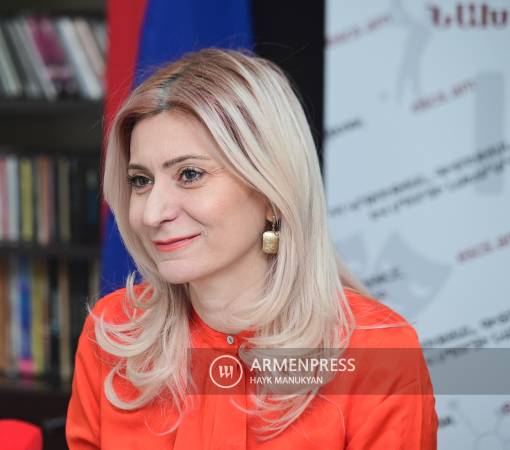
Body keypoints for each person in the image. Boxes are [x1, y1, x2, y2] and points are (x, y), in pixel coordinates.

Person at [66, 48, 437, 449]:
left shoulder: (379, 354)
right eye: (141, 181)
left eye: (190, 174)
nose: (153, 213)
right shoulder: (114, 332)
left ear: (271, 193)